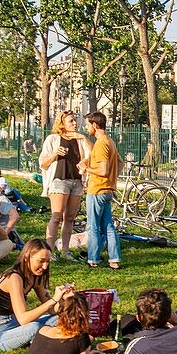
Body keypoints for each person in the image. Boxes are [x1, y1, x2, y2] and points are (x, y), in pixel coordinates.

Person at [0, 239, 69, 350]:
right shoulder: (14, 277)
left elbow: (53, 310)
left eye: (48, 261)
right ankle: (49, 340)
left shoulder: (35, 276)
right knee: (34, 327)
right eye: (41, 261)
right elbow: (23, 319)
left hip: (19, 326)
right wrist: (53, 300)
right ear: (27, 257)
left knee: (60, 318)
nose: (45, 266)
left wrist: (63, 299)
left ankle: (46, 338)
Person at [39, 112, 92, 258]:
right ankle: (49, 252)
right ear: (62, 123)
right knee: (56, 217)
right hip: (59, 180)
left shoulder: (79, 140)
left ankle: (65, 251)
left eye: (75, 120)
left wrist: (85, 138)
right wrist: (55, 154)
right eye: (71, 121)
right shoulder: (53, 139)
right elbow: (43, 163)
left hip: (77, 181)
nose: (75, 123)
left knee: (69, 218)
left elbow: (92, 155)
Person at [77, 111, 121, 270]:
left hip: (97, 190)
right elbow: (120, 164)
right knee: (108, 226)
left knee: (93, 226)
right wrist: (111, 178)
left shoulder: (101, 143)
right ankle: (114, 259)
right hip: (107, 190)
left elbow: (102, 170)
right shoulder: (109, 141)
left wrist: (87, 168)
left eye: (88, 124)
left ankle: (93, 258)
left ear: (95, 125)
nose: (85, 127)